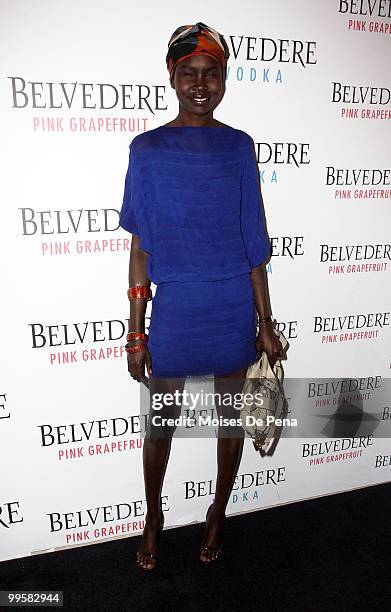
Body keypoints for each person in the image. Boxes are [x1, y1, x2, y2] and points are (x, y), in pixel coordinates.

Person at [119, 22, 284, 570]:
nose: (200, 83)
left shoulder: (239, 148)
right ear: (171, 77)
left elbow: (253, 242)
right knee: (159, 425)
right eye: (188, 72)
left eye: (211, 73)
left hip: (231, 308)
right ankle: (152, 516)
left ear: (224, 80)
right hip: (178, 313)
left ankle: (217, 513)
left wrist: (265, 319)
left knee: (230, 425)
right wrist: (137, 330)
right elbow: (141, 249)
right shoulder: (147, 150)